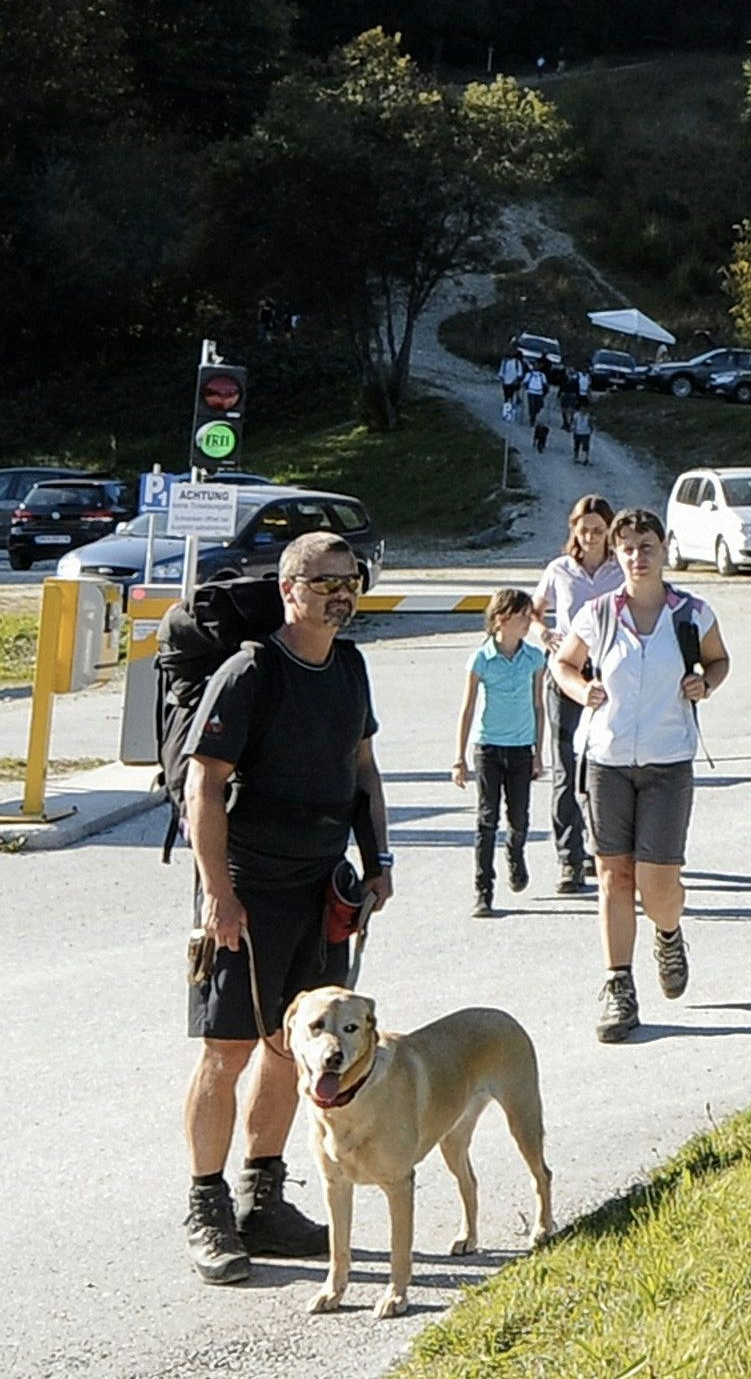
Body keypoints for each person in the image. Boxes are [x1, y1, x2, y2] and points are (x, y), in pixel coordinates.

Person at [177, 531, 390, 1284]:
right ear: (291, 588)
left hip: (320, 882)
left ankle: (260, 1197)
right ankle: (206, 1206)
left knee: (288, 1044)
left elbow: (362, 769)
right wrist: (218, 893)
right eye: (327, 580)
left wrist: (379, 860)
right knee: (227, 1048)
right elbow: (204, 786)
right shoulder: (250, 671)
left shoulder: (351, 666)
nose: (343, 592)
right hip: (246, 884)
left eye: (351, 579)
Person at [548, 506, 729, 1042]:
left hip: (667, 761)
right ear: (617, 554)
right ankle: (618, 986)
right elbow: (564, 663)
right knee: (614, 877)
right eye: (626, 547)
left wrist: (706, 684)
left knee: (657, 886)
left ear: (663, 548)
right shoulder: (600, 613)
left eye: (645, 545)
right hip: (605, 761)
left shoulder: (691, 613)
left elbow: (718, 661)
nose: (636, 555)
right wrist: (582, 690)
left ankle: (668, 933)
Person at [532, 496, 620, 896]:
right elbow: (534, 610)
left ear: (609, 532)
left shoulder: (620, 570)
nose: (590, 538)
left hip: (608, 675)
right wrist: (543, 633)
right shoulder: (559, 570)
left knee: (602, 763)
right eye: (583, 530)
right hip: (567, 674)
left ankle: (605, 849)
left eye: (598, 530)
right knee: (566, 766)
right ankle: (569, 858)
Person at [453, 589, 548, 917]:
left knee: (518, 816)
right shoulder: (481, 659)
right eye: (523, 617)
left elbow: (539, 706)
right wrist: (459, 758)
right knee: (486, 819)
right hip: (488, 747)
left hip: (521, 748)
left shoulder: (534, 658)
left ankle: (515, 852)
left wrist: (538, 752)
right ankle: (483, 889)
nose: (528, 623)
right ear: (502, 619)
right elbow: (466, 709)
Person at [563, 373, 594, 467]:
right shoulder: (576, 415)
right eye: (581, 408)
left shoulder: (588, 416)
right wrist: (572, 427)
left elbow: (590, 423)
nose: (583, 410)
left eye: (584, 408)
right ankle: (576, 457)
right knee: (577, 445)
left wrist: (591, 429)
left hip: (586, 432)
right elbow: (574, 422)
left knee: (585, 446)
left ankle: (585, 458)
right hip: (578, 432)